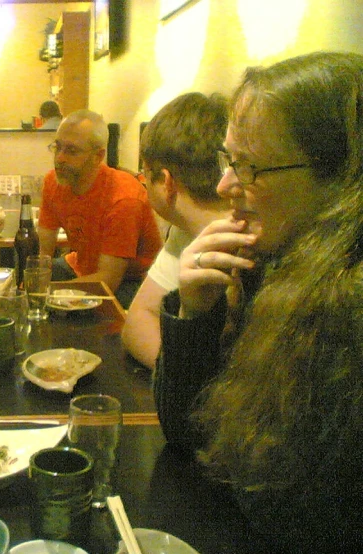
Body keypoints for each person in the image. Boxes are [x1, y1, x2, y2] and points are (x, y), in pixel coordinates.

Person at [155, 52, 363, 552]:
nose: (225, 184)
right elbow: (188, 435)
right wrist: (195, 313)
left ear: (338, 182)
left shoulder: (343, 310)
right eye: (228, 159)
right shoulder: (269, 265)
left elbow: (294, 516)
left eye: (249, 167)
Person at [122, 92, 229, 371]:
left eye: (144, 175)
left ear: (166, 182)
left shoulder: (254, 245)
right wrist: (182, 378)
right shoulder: (184, 231)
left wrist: (185, 382)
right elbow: (138, 321)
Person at [38, 109, 162, 308]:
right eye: (57, 147)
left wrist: (46, 293)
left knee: (71, 309)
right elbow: (43, 254)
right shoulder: (53, 182)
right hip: (82, 266)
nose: (59, 158)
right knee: (35, 285)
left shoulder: (123, 199)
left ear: (98, 156)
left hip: (132, 280)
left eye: (71, 151)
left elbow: (108, 280)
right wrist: (33, 285)